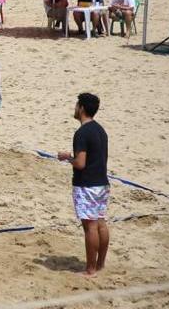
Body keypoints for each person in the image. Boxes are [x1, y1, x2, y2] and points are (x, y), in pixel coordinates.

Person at [57, 93, 110, 277]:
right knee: (101, 223)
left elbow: (80, 163)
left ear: (82, 108)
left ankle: (90, 269)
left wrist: (66, 157)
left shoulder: (82, 133)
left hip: (87, 185)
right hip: (102, 183)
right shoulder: (100, 130)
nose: (75, 108)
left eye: (76, 105)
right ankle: (100, 264)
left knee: (90, 227)